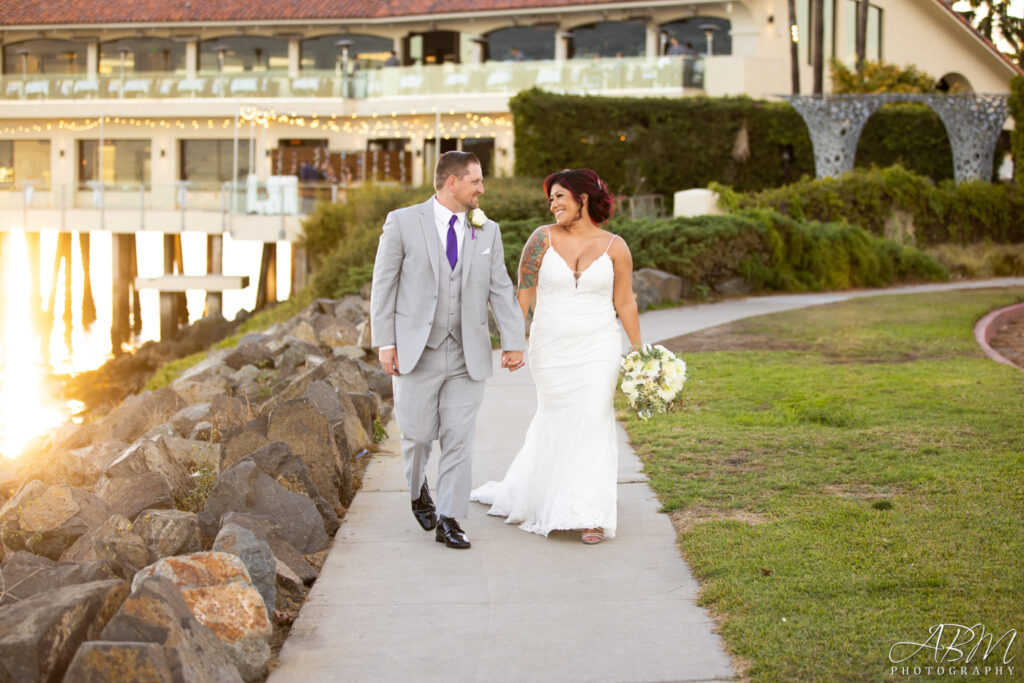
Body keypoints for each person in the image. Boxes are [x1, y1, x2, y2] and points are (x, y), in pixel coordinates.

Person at [471, 169, 642, 544]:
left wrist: (640, 351)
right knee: (558, 420)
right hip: (550, 349)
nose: (554, 205)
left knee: (594, 420)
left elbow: (625, 301)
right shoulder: (540, 240)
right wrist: (513, 344)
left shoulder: (616, 246)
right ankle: (551, 495)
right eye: (551, 199)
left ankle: (591, 513)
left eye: (561, 196)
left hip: (599, 348)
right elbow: (523, 296)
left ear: (583, 198)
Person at [371, 151, 527, 550]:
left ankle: (451, 519)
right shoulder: (403, 222)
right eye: (476, 181)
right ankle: (417, 488)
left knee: (459, 438)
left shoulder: (486, 229)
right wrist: (385, 343)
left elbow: (500, 287)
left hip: (467, 353)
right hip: (414, 351)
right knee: (419, 436)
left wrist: (512, 341)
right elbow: (383, 286)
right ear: (452, 183)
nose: (482, 188)